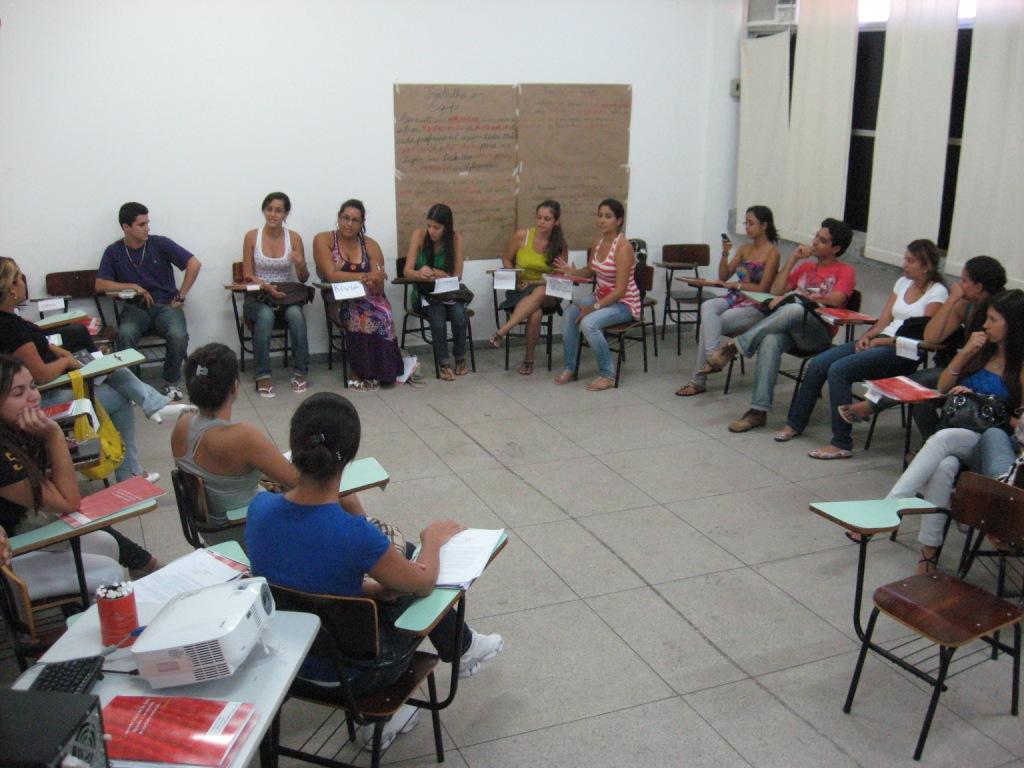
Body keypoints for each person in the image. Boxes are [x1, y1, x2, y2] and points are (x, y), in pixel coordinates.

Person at [246, 392, 503, 748]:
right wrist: (432, 540)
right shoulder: (354, 534)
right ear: (349, 456)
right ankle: (398, 703)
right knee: (421, 570)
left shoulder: (259, 509)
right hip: (357, 673)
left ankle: (464, 646)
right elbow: (424, 583)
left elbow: (306, 581)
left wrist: (371, 590)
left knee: (392, 572)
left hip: (286, 660)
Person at [0, 257, 188, 485]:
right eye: (19, 277)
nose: (24, 281)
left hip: (52, 385)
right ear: (11, 287)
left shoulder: (12, 319)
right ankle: (133, 468)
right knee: (120, 397)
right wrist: (66, 362)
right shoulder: (10, 329)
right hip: (44, 397)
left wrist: (58, 352)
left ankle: (153, 408)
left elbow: (38, 341)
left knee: (114, 370)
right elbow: (41, 375)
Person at [883, 289, 1024, 573]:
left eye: (993, 320)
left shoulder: (1020, 368)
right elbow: (942, 387)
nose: (985, 325)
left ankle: (888, 508)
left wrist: (984, 402)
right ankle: (928, 556)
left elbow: (1019, 428)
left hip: (994, 441)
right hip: (961, 431)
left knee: (944, 440)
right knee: (944, 465)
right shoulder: (980, 350)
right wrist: (966, 353)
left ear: (1012, 325)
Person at [172, 344, 367, 546]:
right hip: (247, 533)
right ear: (234, 387)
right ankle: (370, 541)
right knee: (342, 491)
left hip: (212, 534)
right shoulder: (243, 437)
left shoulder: (183, 425)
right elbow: (302, 483)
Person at [0, 355, 154, 602]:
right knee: (109, 573)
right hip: (11, 561)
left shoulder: (16, 431)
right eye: (18, 393)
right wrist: (54, 435)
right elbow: (68, 502)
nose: (33, 397)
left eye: (33, 386)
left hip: (26, 534)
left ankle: (131, 581)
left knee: (107, 544)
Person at [775, 239, 948, 458]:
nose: (904, 264)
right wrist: (868, 336)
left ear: (926, 266)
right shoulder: (902, 282)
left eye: (910, 261)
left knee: (839, 370)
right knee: (818, 364)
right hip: (882, 340)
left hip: (904, 350)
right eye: (905, 259)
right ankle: (794, 424)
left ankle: (841, 442)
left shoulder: (937, 292)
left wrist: (882, 342)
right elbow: (884, 321)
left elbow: (922, 335)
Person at [701, 217, 856, 433]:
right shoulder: (806, 267)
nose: (815, 242)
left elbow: (837, 300)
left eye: (822, 240)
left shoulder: (844, 271)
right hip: (791, 329)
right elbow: (775, 291)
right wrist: (793, 259)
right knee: (770, 340)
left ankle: (735, 346)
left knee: (794, 308)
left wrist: (798, 298)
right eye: (816, 236)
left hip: (818, 333)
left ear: (836, 248)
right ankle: (758, 412)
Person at [838, 255, 1007, 442]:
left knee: (921, 382)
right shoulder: (965, 304)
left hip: (983, 374)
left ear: (979, 287)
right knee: (919, 391)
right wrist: (951, 301)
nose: (959, 285)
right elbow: (932, 337)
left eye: (964, 281)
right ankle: (932, 443)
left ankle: (872, 406)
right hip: (963, 366)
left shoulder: (1000, 310)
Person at [95, 202, 202, 401]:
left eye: (147, 223)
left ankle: (171, 381)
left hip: (165, 305)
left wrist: (181, 295)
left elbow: (194, 263)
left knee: (178, 335)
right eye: (141, 224)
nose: (147, 228)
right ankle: (133, 386)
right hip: (134, 307)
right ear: (126, 227)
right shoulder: (114, 251)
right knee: (125, 334)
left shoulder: (160, 243)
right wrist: (132, 286)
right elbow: (100, 284)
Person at [677, 205, 781, 397]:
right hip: (734, 297)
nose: (747, 227)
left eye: (751, 223)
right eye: (745, 223)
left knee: (708, 325)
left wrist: (737, 285)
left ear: (764, 225)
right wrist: (725, 253)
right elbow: (723, 276)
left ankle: (698, 381)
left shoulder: (772, 253)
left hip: (755, 305)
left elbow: (764, 289)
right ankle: (713, 357)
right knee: (708, 306)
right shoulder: (744, 248)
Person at [313, 200, 404, 390]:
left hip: (370, 296)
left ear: (362, 223)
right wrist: (365, 276)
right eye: (345, 218)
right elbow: (331, 275)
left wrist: (375, 281)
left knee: (383, 314)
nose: (349, 223)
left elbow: (378, 281)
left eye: (355, 220)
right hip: (339, 299)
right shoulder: (324, 239)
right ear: (338, 218)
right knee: (359, 315)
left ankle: (382, 371)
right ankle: (359, 370)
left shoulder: (370, 245)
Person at [553, 198, 640, 391]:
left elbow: (620, 290)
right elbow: (590, 271)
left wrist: (592, 308)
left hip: (624, 303)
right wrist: (571, 271)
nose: (602, 220)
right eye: (600, 215)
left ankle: (608, 375)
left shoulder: (623, 248)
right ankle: (570, 367)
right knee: (570, 313)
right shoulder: (598, 243)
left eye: (608, 216)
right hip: (601, 297)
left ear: (619, 220)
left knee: (588, 323)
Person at [241, 192, 310, 397]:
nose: (273, 214)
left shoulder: (294, 238)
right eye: (269, 209)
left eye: (278, 210)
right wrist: (266, 286)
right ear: (264, 211)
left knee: (296, 315)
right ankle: (262, 375)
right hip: (258, 295)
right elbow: (247, 275)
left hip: (285, 295)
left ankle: (301, 372)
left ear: (285, 214)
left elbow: (304, 278)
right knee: (265, 315)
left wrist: (301, 264)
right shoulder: (252, 236)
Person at [488, 200, 568, 375]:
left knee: (540, 291)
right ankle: (528, 360)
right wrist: (515, 277)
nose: (541, 222)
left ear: (555, 222)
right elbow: (506, 258)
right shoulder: (522, 236)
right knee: (535, 313)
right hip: (520, 289)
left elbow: (558, 278)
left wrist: (534, 283)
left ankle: (503, 330)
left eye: (547, 219)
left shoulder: (560, 244)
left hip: (548, 292)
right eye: (539, 217)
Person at [403, 204, 468, 381]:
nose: (431, 231)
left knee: (459, 315)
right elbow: (407, 271)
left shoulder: (455, 238)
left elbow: (457, 275)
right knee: (437, 316)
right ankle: (443, 363)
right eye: (429, 226)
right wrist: (419, 273)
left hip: (448, 293)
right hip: (424, 294)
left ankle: (460, 357)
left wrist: (435, 272)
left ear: (446, 228)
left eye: (436, 228)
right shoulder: (419, 235)